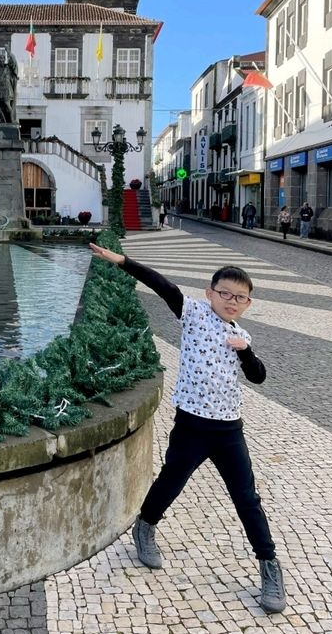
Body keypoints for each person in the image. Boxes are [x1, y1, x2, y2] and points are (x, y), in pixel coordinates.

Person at [88, 242, 286, 614]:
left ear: (247, 304)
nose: (231, 300)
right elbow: (164, 286)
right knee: (171, 480)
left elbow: (258, 377)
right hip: (192, 424)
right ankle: (145, 527)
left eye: (239, 297)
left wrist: (244, 349)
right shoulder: (193, 312)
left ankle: (269, 565)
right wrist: (123, 261)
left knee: (247, 498)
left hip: (229, 430)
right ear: (210, 293)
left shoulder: (243, 336)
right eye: (224, 293)